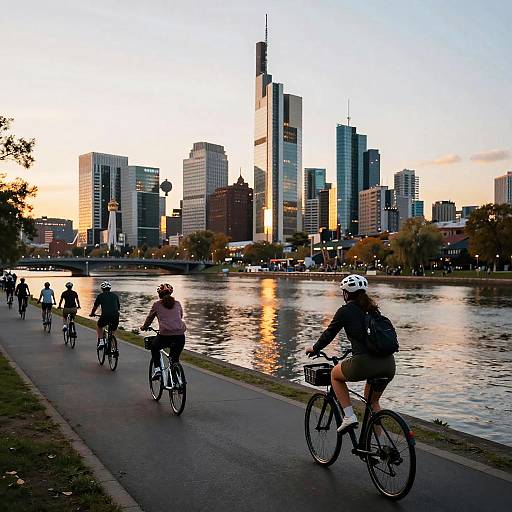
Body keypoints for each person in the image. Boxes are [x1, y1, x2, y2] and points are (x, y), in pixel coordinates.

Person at [306, 274, 396, 433]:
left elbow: (329, 333)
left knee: (334, 374)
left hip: (365, 363)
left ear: (346, 294)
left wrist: (315, 348)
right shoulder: (373, 309)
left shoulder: (345, 311)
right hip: (388, 364)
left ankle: (348, 416)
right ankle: (381, 451)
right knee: (373, 403)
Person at [140, 284, 186, 380]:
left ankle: (157, 370)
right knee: (175, 359)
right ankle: (176, 382)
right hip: (180, 335)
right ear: (171, 293)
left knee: (154, 347)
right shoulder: (177, 303)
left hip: (165, 335)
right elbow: (180, 316)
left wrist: (144, 327)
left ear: (159, 294)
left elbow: (149, 318)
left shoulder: (157, 304)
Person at [89, 281, 120, 348]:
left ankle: (101, 342)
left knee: (99, 326)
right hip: (115, 316)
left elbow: (95, 307)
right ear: (110, 288)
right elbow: (118, 307)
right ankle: (112, 343)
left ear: (102, 289)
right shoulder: (115, 296)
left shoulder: (100, 296)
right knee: (113, 329)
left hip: (105, 316)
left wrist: (92, 314)